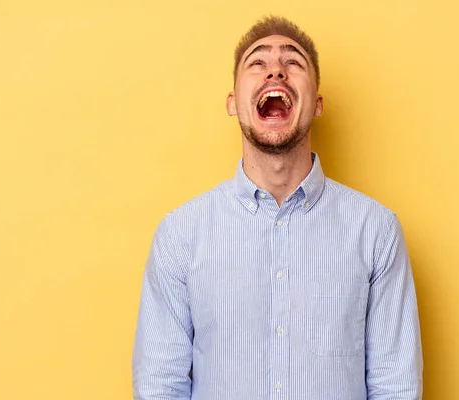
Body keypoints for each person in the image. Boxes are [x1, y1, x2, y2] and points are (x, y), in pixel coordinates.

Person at [132, 15, 423, 400]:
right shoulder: (180, 234)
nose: (276, 72)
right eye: (258, 63)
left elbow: (396, 387)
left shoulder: (375, 231)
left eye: (293, 62)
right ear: (233, 103)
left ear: (316, 104)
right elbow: (159, 387)